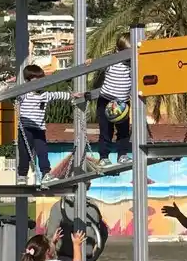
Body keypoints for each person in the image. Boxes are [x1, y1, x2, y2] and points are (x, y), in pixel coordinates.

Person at [16, 63, 85, 185]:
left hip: (39, 129)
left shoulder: (45, 95)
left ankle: (46, 174)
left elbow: (58, 95)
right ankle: (22, 175)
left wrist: (72, 95)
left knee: (42, 152)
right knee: (24, 153)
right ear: (28, 81)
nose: (40, 85)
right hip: (25, 129)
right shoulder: (24, 94)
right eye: (36, 82)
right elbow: (14, 94)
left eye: (41, 81)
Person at [91, 34, 132, 171]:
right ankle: (104, 157)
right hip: (106, 100)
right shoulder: (112, 62)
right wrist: (91, 62)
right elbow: (98, 65)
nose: (128, 57)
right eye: (126, 53)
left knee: (124, 130)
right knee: (106, 130)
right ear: (118, 51)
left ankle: (122, 155)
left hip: (123, 103)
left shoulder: (134, 65)